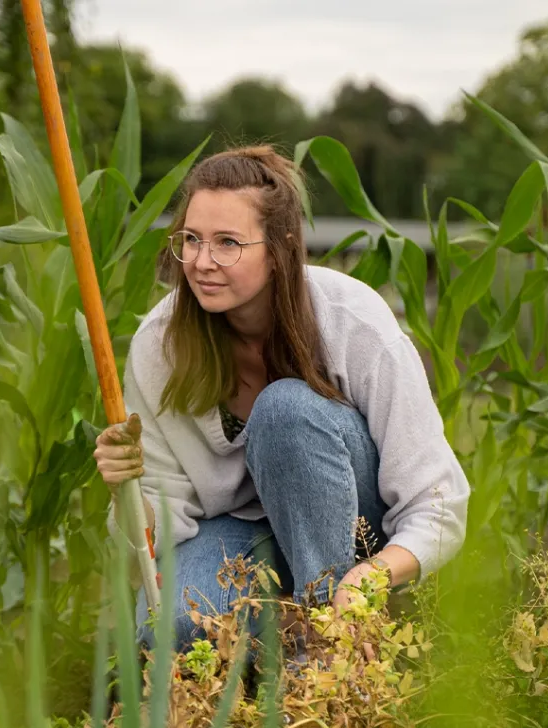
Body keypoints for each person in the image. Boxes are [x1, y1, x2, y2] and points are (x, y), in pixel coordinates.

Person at [93, 145, 469, 652]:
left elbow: (438, 505)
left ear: (279, 250)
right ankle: (289, 628)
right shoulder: (161, 344)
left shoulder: (352, 320)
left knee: (286, 409)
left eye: (228, 243)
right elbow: (161, 525)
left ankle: (327, 652)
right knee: (174, 629)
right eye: (192, 239)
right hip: (241, 532)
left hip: (359, 527)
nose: (201, 262)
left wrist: (370, 578)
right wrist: (125, 489)